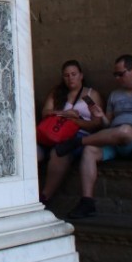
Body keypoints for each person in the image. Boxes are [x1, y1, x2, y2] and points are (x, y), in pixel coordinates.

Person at [61, 54, 132, 219]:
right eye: (115, 75)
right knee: (89, 150)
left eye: (121, 74)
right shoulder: (115, 95)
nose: (117, 78)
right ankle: (87, 202)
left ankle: (77, 142)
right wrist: (100, 115)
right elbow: (107, 125)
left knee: (125, 130)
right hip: (113, 138)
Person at [37, 59, 103, 208]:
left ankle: (44, 197)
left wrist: (76, 120)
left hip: (78, 135)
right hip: (51, 134)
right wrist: (64, 113)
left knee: (59, 152)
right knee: (33, 154)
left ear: (81, 75)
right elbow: (45, 113)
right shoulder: (57, 92)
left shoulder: (91, 94)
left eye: (74, 74)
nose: (70, 78)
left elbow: (96, 124)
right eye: (66, 75)